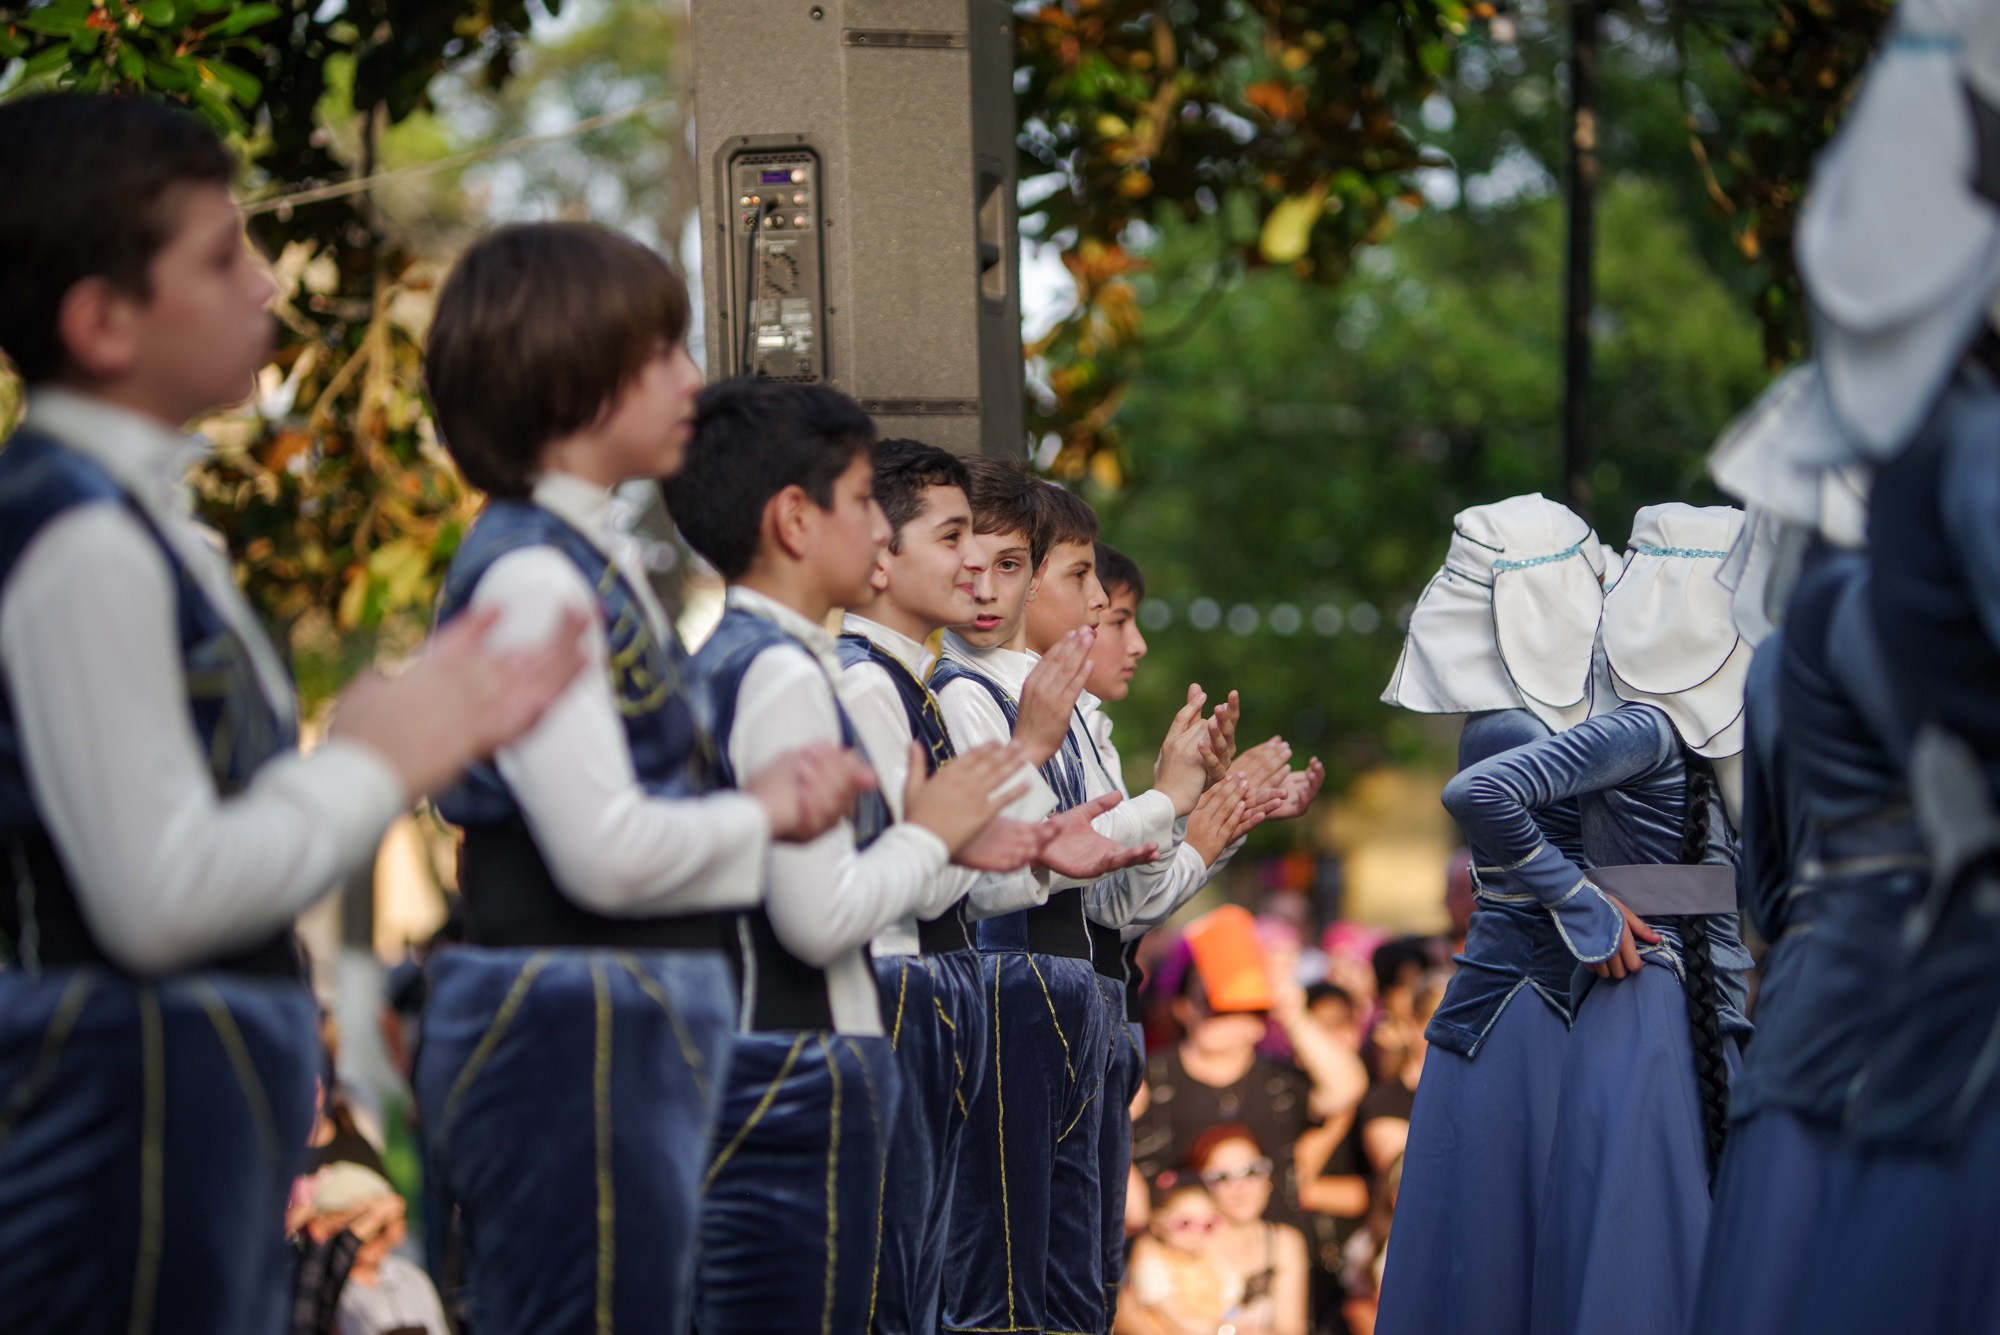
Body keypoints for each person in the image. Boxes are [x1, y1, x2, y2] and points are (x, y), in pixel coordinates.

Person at [0, 93, 585, 1335]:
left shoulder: (133, 524)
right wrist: (378, 759)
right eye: (222, 257)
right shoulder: (80, 543)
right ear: (102, 322)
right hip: (122, 1148)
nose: (264, 284)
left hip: (172, 1133)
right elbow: (159, 897)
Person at [412, 223, 868, 1335]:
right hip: (575, 1029)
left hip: (613, 1025)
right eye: (661, 352)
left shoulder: (574, 554)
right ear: (570, 376)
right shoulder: (534, 573)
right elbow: (604, 852)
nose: (689, 379)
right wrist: (763, 811)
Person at [665, 378, 1041, 1335]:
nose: (880, 530)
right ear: (796, 520)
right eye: (864, 500)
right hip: (794, 1065)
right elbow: (819, 915)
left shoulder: (739, 659)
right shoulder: (784, 671)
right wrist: (932, 830)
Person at [834, 437, 1143, 1335]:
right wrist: (1030, 770)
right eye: (954, 540)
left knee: (1010, 1275)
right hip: (907, 982)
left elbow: (945, 867)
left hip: (943, 979)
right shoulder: (874, 685)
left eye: (997, 554)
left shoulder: (910, 683)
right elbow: (903, 880)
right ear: (879, 554)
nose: (974, 569)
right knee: (954, 1286)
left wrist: (1037, 848)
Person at [1441, 503, 1756, 1335]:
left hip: (1690, 1001)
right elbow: (1482, 792)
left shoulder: (1704, 741)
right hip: (1638, 997)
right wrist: (1584, 903)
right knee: (1636, 1250)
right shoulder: (1641, 728)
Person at [930, 458, 1168, 1335]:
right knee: (1003, 1265)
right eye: (1078, 576)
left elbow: (1113, 886)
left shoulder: (1039, 703)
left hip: (1070, 980)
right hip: (1012, 977)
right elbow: (1010, 859)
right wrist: (1171, 802)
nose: (989, 588)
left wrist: (1194, 820)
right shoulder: (965, 694)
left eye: (1013, 565)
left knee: (1079, 1265)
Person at [1371, 494, 1610, 1335]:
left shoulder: (1570, 716)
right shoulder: (1511, 727)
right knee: (1513, 1253)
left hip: (1555, 1003)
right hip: (1530, 1011)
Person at [302, 1164, 452, 1335]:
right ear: (321, 1227)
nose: (374, 1237)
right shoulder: (319, 1289)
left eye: (383, 1226)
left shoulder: (411, 1277)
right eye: (361, 1223)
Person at [1189, 1126, 1310, 1335]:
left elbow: (1292, 1329)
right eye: (1222, 1177)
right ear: (1202, 1185)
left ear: (1269, 1179)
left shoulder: (1284, 1241)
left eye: (1252, 1172)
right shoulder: (1187, 1237)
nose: (1240, 1189)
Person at [1115, 1179, 1230, 1335]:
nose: (1196, 1232)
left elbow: (1229, 1300)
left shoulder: (1211, 1262)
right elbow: (1177, 1318)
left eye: (1208, 1225)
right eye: (1185, 1223)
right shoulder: (1154, 1265)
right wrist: (1219, 1330)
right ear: (1159, 1222)